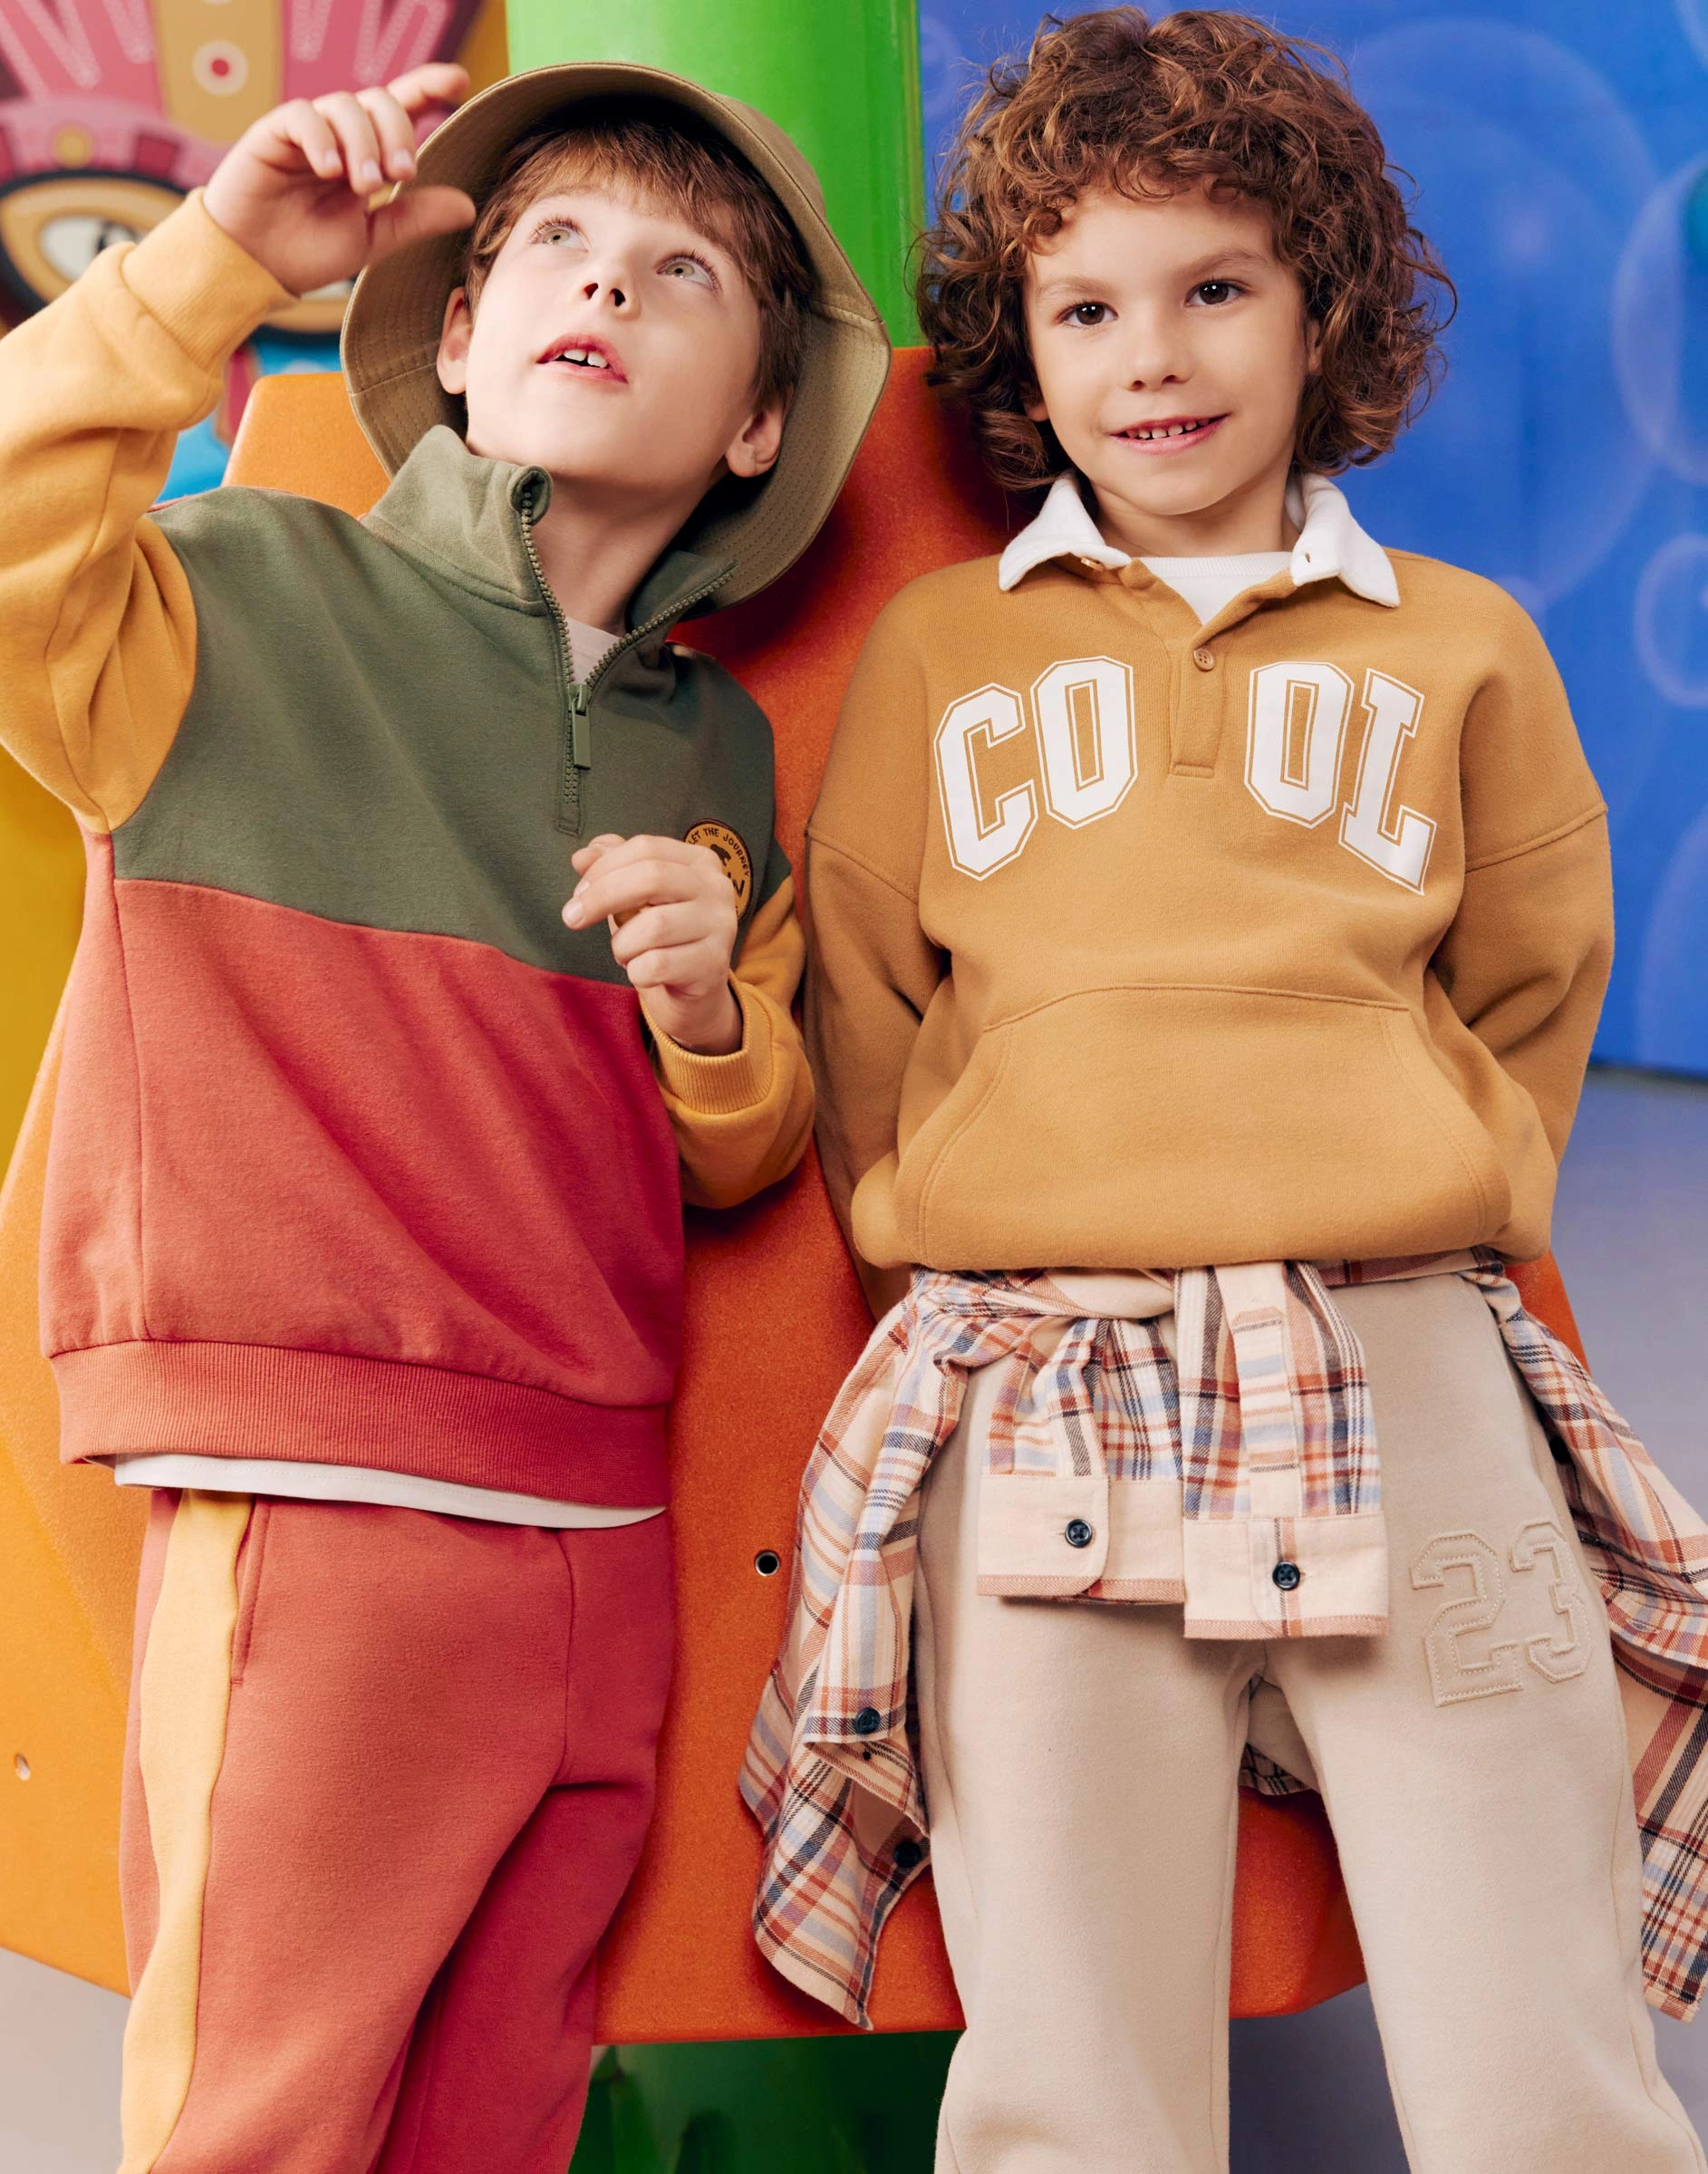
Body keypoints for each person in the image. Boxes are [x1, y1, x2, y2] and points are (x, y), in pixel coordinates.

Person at [743, 11, 1708, 2170]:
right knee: (1069, 2053)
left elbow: (1532, 980)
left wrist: (1420, 1169)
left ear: (1318, 308)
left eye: (1214, 288)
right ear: (1023, 346)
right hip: (1047, 1381)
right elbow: (871, 1008)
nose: (1152, 357)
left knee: (1536, 2026)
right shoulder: (945, 652)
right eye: (1086, 308)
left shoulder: (1456, 642)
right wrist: (974, 1211)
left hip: (1399, 1354)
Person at [0, 53, 886, 2174]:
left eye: (683, 271)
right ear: (464, 334)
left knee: (501, 2117)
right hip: (319, 1507)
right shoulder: (229, 592)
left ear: (758, 426)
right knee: (265, 2120)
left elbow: (744, 1149)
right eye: (554, 245)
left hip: (605, 1542)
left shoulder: (722, 754)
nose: (610, 283)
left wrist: (707, 1012)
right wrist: (218, 261)